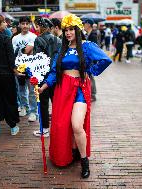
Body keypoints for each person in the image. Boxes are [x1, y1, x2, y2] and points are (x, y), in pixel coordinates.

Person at [38, 14, 112, 178]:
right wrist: (43, 87)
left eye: (71, 29)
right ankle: (71, 152)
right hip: (62, 89)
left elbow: (105, 60)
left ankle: (84, 161)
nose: (68, 33)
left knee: (77, 125)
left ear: (77, 30)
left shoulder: (86, 46)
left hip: (79, 89)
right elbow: (52, 73)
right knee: (61, 125)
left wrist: (89, 71)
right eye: (66, 30)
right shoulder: (61, 50)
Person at [32, 17, 62, 137]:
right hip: (55, 75)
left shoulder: (38, 40)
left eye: (38, 26)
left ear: (42, 27)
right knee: (56, 102)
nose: (37, 29)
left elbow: (36, 59)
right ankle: (59, 127)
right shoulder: (58, 40)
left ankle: (44, 129)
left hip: (43, 76)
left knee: (43, 104)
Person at [12, 16, 37, 121]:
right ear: (19, 25)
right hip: (19, 67)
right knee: (21, 90)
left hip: (31, 67)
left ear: (30, 25)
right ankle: (24, 107)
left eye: (27, 23)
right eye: (23, 23)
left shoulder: (34, 37)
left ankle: (33, 112)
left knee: (32, 91)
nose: (25, 26)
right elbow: (13, 53)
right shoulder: (15, 38)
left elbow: (28, 51)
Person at [83, 18, 98, 102]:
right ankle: (91, 93)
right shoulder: (89, 34)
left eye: (84, 24)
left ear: (88, 24)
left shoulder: (93, 35)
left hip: (91, 59)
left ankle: (93, 94)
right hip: (90, 59)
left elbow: (94, 48)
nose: (84, 25)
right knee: (89, 77)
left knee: (90, 77)